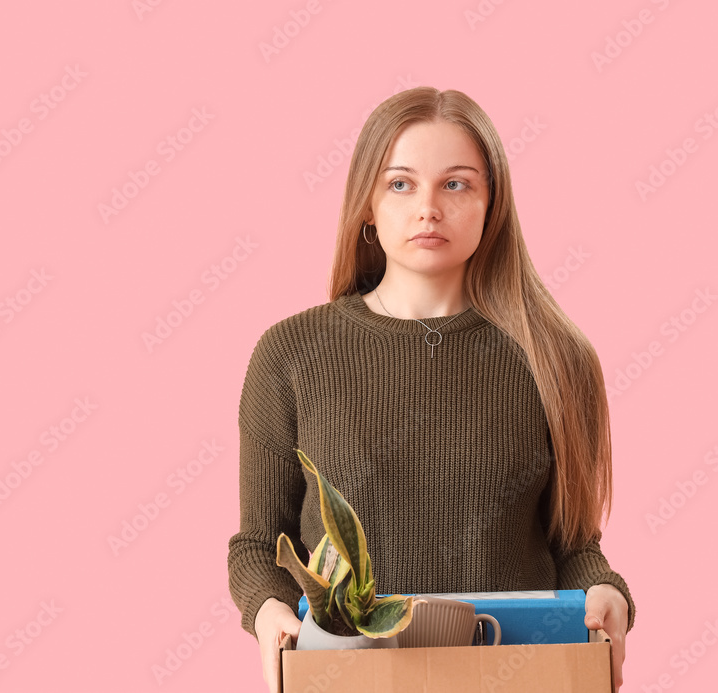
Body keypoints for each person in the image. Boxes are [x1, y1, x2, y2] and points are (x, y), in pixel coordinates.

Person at [227, 86, 635, 693]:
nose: (428, 208)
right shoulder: (290, 354)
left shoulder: (556, 358)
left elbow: (573, 545)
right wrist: (269, 614)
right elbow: (259, 546)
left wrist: (607, 593)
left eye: (457, 184)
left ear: (491, 202)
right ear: (367, 202)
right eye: (400, 184)